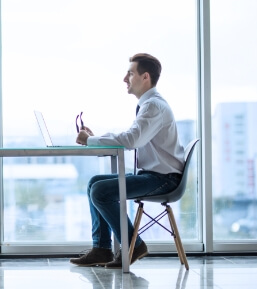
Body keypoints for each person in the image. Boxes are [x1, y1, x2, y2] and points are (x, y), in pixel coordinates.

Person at [71, 53, 185, 268]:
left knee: (100, 192)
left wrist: (91, 140)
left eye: (130, 73)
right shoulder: (150, 105)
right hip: (155, 175)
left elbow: (131, 139)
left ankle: (134, 245)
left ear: (145, 77)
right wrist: (94, 139)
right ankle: (102, 249)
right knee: (95, 182)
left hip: (164, 179)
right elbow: (132, 136)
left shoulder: (153, 106)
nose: (125, 78)